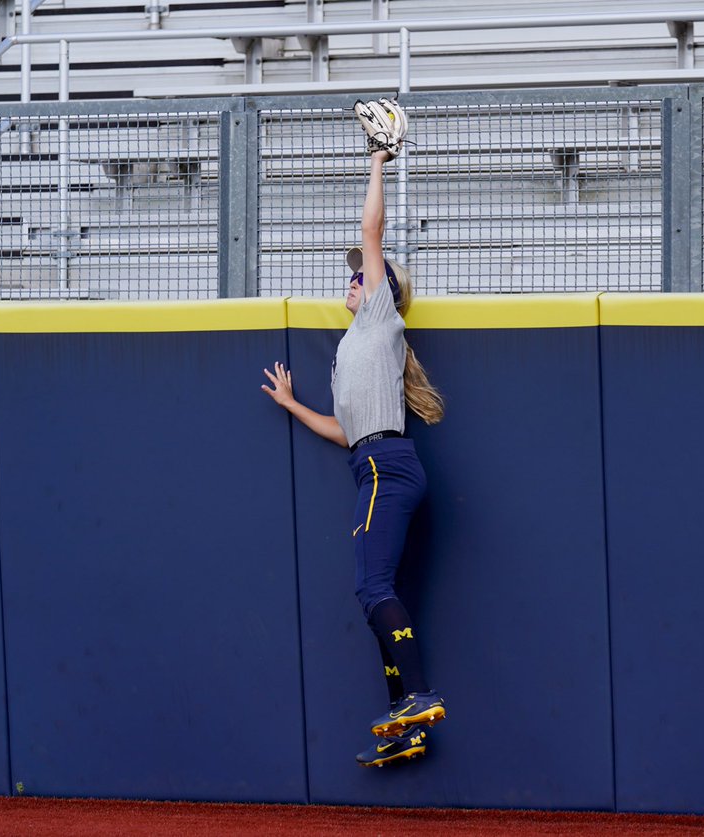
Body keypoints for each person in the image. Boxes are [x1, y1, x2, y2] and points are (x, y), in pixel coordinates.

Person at [260, 101, 446, 769]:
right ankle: (409, 724)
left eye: (363, 271)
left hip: (384, 471)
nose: (354, 276)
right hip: (376, 463)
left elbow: (372, 227)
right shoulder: (354, 349)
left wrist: (376, 158)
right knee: (380, 590)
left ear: (380, 288)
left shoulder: (378, 316)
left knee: (372, 590)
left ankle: (419, 695)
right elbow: (346, 430)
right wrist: (291, 405)